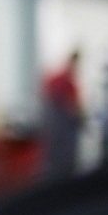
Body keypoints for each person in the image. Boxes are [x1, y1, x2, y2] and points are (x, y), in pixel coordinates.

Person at [40, 50, 84, 178]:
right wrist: (79, 116)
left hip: (58, 131)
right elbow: (70, 105)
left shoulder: (62, 80)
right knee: (62, 162)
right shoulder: (63, 81)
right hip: (62, 132)